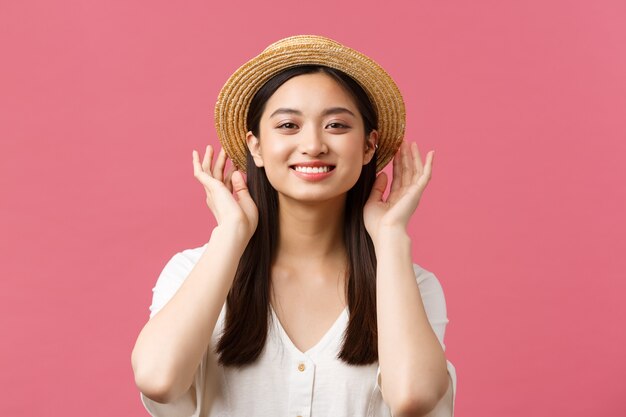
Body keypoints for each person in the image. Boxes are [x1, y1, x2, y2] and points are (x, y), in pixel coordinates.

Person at [131, 34, 457, 417]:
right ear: (255, 147)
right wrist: (232, 234)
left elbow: (413, 398)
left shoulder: (411, 284)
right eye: (288, 125)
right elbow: (158, 379)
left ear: (368, 147)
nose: (314, 144)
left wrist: (391, 239)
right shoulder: (192, 271)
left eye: (336, 125)